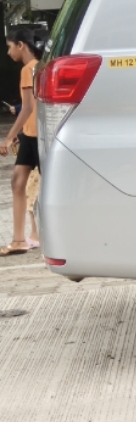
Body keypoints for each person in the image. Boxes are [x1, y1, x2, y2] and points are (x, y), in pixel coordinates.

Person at [0, 28, 43, 256]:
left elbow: (26, 107)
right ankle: (20, 240)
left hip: (34, 136)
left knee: (22, 184)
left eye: (9, 47)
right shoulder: (40, 66)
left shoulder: (29, 69)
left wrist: (8, 136)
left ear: (21, 45)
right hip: (33, 134)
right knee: (19, 182)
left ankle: (23, 238)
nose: (8, 53)